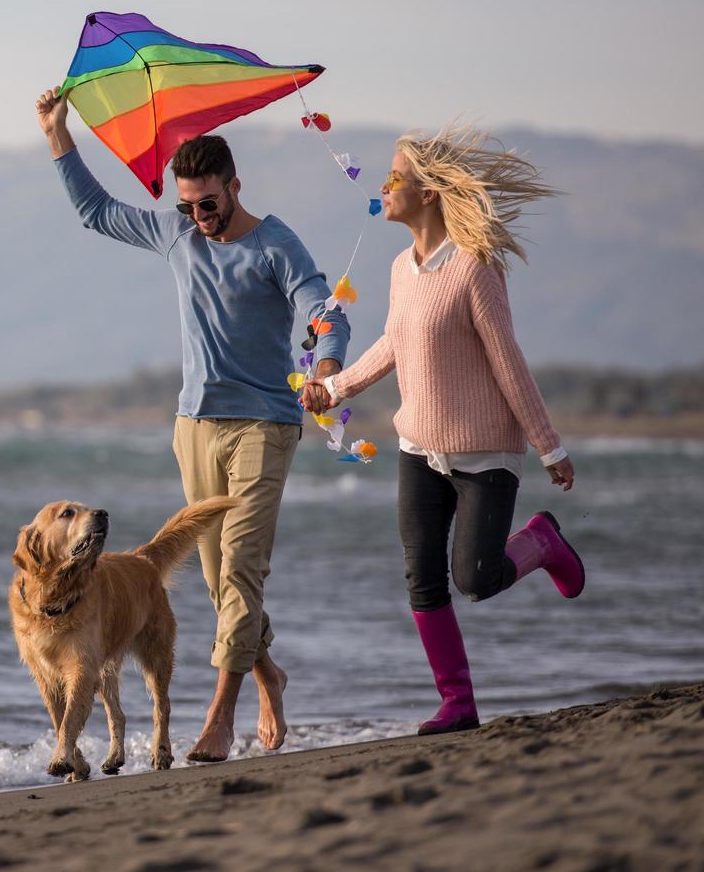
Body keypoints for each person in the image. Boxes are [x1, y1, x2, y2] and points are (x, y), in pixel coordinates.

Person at [35, 88, 350, 762]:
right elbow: (95, 212)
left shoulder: (273, 243)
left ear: (234, 186)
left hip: (264, 424)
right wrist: (57, 135)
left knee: (238, 572)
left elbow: (323, 307)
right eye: (187, 205)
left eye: (208, 202)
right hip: (194, 427)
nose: (198, 217)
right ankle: (267, 674)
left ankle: (218, 719)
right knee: (214, 581)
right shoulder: (176, 233)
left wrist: (325, 366)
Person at [301, 125, 582, 735]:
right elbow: (394, 343)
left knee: (474, 579)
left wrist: (548, 444)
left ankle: (543, 542)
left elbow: (508, 360)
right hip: (417, 448)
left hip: (486, 453)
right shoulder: (402, 267)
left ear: (428, 193)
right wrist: (336, 387)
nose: (384, 185)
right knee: (421, 575)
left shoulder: (476, 268)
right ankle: (458, 703)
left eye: (395, 176)